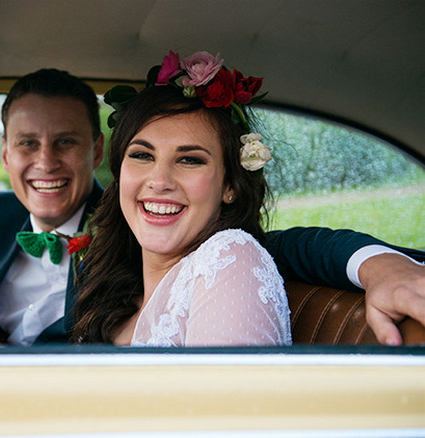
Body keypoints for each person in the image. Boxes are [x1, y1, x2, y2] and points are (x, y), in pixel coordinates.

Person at [0, 68, 423, 346]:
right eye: (28, 144)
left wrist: (378, 265)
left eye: (66, 144)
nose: (46, 163)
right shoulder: (1, 221)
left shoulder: (147, 223)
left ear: (95, 153)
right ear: (4, 154)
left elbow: (268, 247)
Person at [73, 51, 291, 345]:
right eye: (142, 155)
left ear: (231, 185)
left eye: (189, 160)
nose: (160, 181)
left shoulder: (230, 257)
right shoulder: (110, 290)